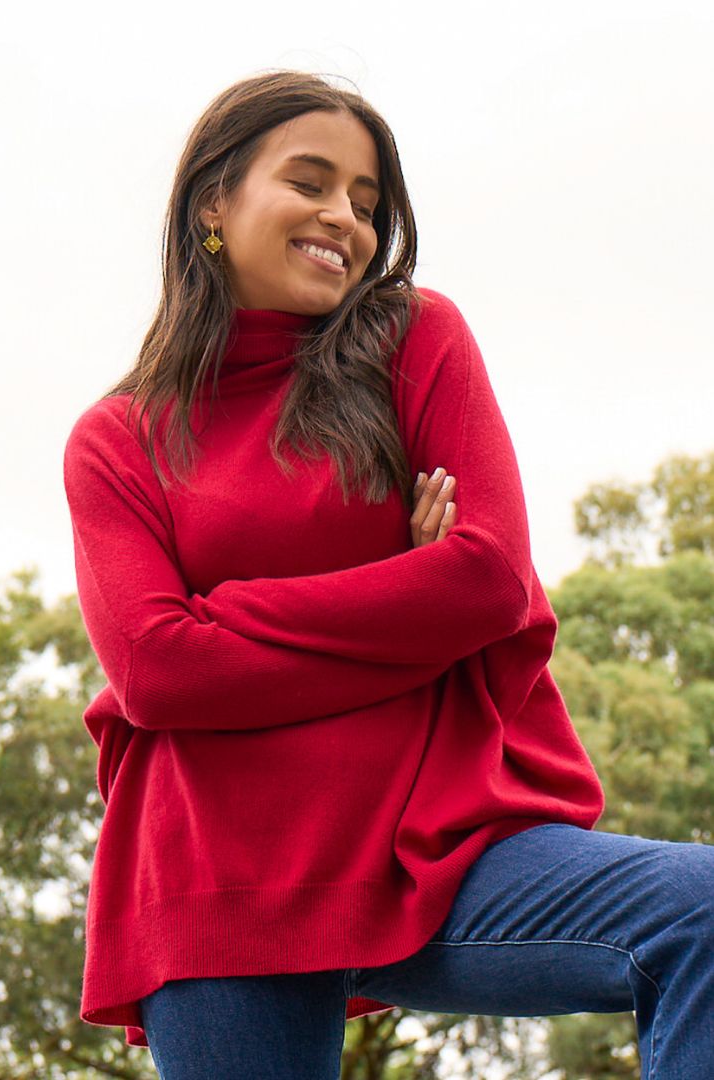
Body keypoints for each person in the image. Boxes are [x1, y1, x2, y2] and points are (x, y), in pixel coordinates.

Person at [62, 70, 713, 1080]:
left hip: (435, 847)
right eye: (311, 183)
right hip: (217, 881)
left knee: (698, 912)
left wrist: (225, 616)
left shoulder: (414, 339)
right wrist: (410, 595)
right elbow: (157, 671)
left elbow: (487, 581)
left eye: (366, 203)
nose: (345, 219)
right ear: (212, 203)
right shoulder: (117, 441)